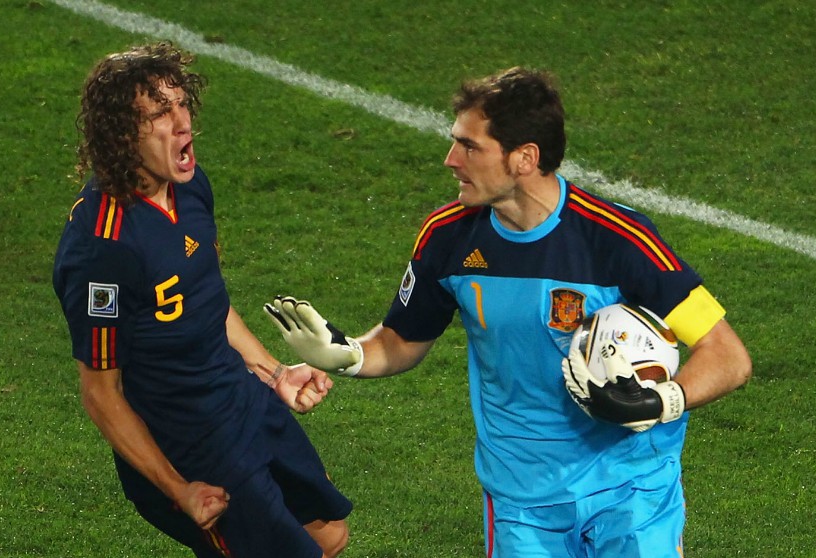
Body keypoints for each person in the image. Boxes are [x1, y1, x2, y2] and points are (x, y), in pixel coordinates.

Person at [264, 67, 751, 557]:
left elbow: (726, 355)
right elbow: (400, 341)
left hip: (630, 491)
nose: (450, 159)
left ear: (524, 158)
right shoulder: (448, 237)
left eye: (470, 146)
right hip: (522, 500)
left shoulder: (618, 240)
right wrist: (346, 354)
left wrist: (658, 401)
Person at [52, 42, 351, 558]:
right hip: (192, 444)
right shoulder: (103, 246)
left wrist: (274, 372)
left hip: (242, 402)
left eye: (182, 104)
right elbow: (100, 393)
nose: (183, 122)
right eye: (160, 114)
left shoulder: (190, 188)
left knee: (328, 535)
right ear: (124, 136)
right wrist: (177, 488)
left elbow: (206, 301)